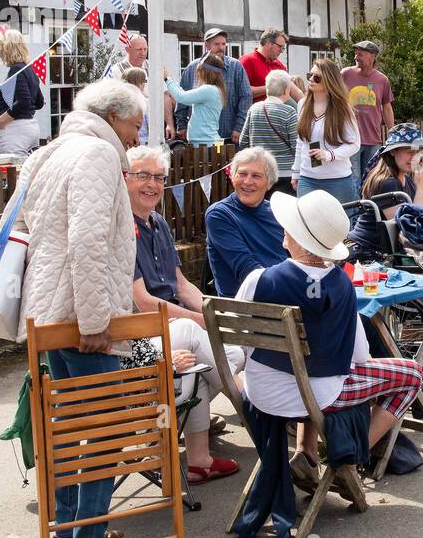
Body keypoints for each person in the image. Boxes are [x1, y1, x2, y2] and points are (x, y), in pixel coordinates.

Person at [4, 79, 152, 538]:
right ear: (114, 116)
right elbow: (88, 241)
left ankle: (67, 537)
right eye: (135, 124)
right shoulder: (97, 154)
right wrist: (94, 322)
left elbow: (23, 230)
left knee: (69, 428)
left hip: (48, 314)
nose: (137, 136)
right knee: (106, 433)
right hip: (80, 316)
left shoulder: (47, 153)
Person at [234, 191, 423, 485]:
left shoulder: (257, 279)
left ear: (295, 235)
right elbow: (360, 358)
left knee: (313, 371)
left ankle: (306, 455)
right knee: (411, 374)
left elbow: (240, 339)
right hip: (316, 397)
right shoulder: (342, 285)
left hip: (260, 393)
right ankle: (349, 462)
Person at [124, 145, 240, 485]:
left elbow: (180, 284)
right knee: (194, 339)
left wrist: (212, 310)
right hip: (137, 334)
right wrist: (197, 320)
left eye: (159, 178)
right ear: (125, 178)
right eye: (143, 176)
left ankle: (199, 459)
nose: (153, 185)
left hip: (168, 328)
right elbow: (142, 302)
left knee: (226, 351)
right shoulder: (119, 226)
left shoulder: (158, 223)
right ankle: (257, 413)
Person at [205, 146, 289, 296]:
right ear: (232, 177)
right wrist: (295, 285)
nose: (247, 182)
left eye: (256, 176)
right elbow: (247, 270)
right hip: (244, 307)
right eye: (242, 174)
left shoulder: (278, 212)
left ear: (269, 183)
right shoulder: (220, 214)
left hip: (282, 295)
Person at [292, 57, 360, 202]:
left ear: (329, 80)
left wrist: (329, 154)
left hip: (337, 180)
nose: (311, 80)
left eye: (317, 77)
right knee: (305, 223)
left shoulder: (343, 109)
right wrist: (296, 172)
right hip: (307, 178)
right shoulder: (303, 105)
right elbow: (301, 141)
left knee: (338, 224)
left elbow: (354, 144)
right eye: (309, 76)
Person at [359, 123, 423, 216]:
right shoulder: (386, 183)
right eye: (410, 152)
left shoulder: (406, 179)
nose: (415, 157)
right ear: (393, 151)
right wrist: (420, 186)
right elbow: (412, 227)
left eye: (418, 152)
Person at [173, 28, 251, 144]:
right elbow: (183, 99)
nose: (221, 47)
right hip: (201, 139)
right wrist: (181, 125)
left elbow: (246, 97)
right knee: (203, 161)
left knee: (224, 160)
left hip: (229, 135)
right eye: (217, 44)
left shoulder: (235, 67)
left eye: (223, 44)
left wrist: (239, 127)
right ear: (207, 45)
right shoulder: (193, 68)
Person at [341, 40, 395, 180]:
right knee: (354, 179)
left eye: (360, 55)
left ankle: (367, 203)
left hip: (373, 139)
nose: (355, 57)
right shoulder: (345, 74)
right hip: (350, 138)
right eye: (355, 54)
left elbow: (387, 107)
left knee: (370, 179)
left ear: (372, 56)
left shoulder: (382, 80)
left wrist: (392, 133)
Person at [244, 70, 298, 195]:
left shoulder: (254, 109)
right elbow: (296, 146)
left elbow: (243, 141)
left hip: (261, 170)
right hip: (285, 173)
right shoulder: (289, 112)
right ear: (286, 90)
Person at [0, 28, 43, 159]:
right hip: (30, 127)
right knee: (27, 172)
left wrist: (1, 121)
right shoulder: (28, 68)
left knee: (13, 173)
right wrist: (3, 94)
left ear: (6, 49)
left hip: (16, 130)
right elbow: (38, 102)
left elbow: (24, 102)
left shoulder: (16, 70)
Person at [164, 54, 226, 147]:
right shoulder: (216, 89)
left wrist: (167, 79)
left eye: (199, 72)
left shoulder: (208, 90)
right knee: (218, 161)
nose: (197, 75)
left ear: (206, 72)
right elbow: (184, 94)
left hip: (206, 144)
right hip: (214, 143)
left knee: (212, 161)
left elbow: (182, 97)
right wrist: (173, 84)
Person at [242, 28, 304, 106]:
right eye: (280, 47)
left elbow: (292, 88)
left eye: (283, 48)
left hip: (278, 115)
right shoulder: (247, 60)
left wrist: (306, 105)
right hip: (256, 115)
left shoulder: (279, 65)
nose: (281, 51)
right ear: (268, 43)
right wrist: (272, 87)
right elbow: (242, 91)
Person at [121, 67, 150, 144]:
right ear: (140, 83)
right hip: (143, 143)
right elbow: (152, 126)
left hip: (124, 143)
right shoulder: (146, 103)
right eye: (144, 81)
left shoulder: (119, 102)